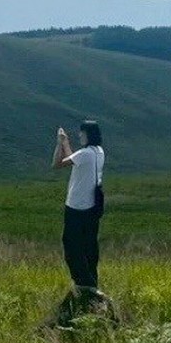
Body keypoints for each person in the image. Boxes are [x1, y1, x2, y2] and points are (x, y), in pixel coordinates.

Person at [51, 119, 106, 298]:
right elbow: (74, 159)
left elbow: (57, 164)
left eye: (82, 133)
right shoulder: (98, 152)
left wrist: (59, 144)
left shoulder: (84, 154)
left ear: (88, 135)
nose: (80, 135)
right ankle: (91, 281)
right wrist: (66, 143)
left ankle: (82, 283)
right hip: (92, 206)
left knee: (72, 245)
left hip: (76, 206)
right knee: (89, 245)